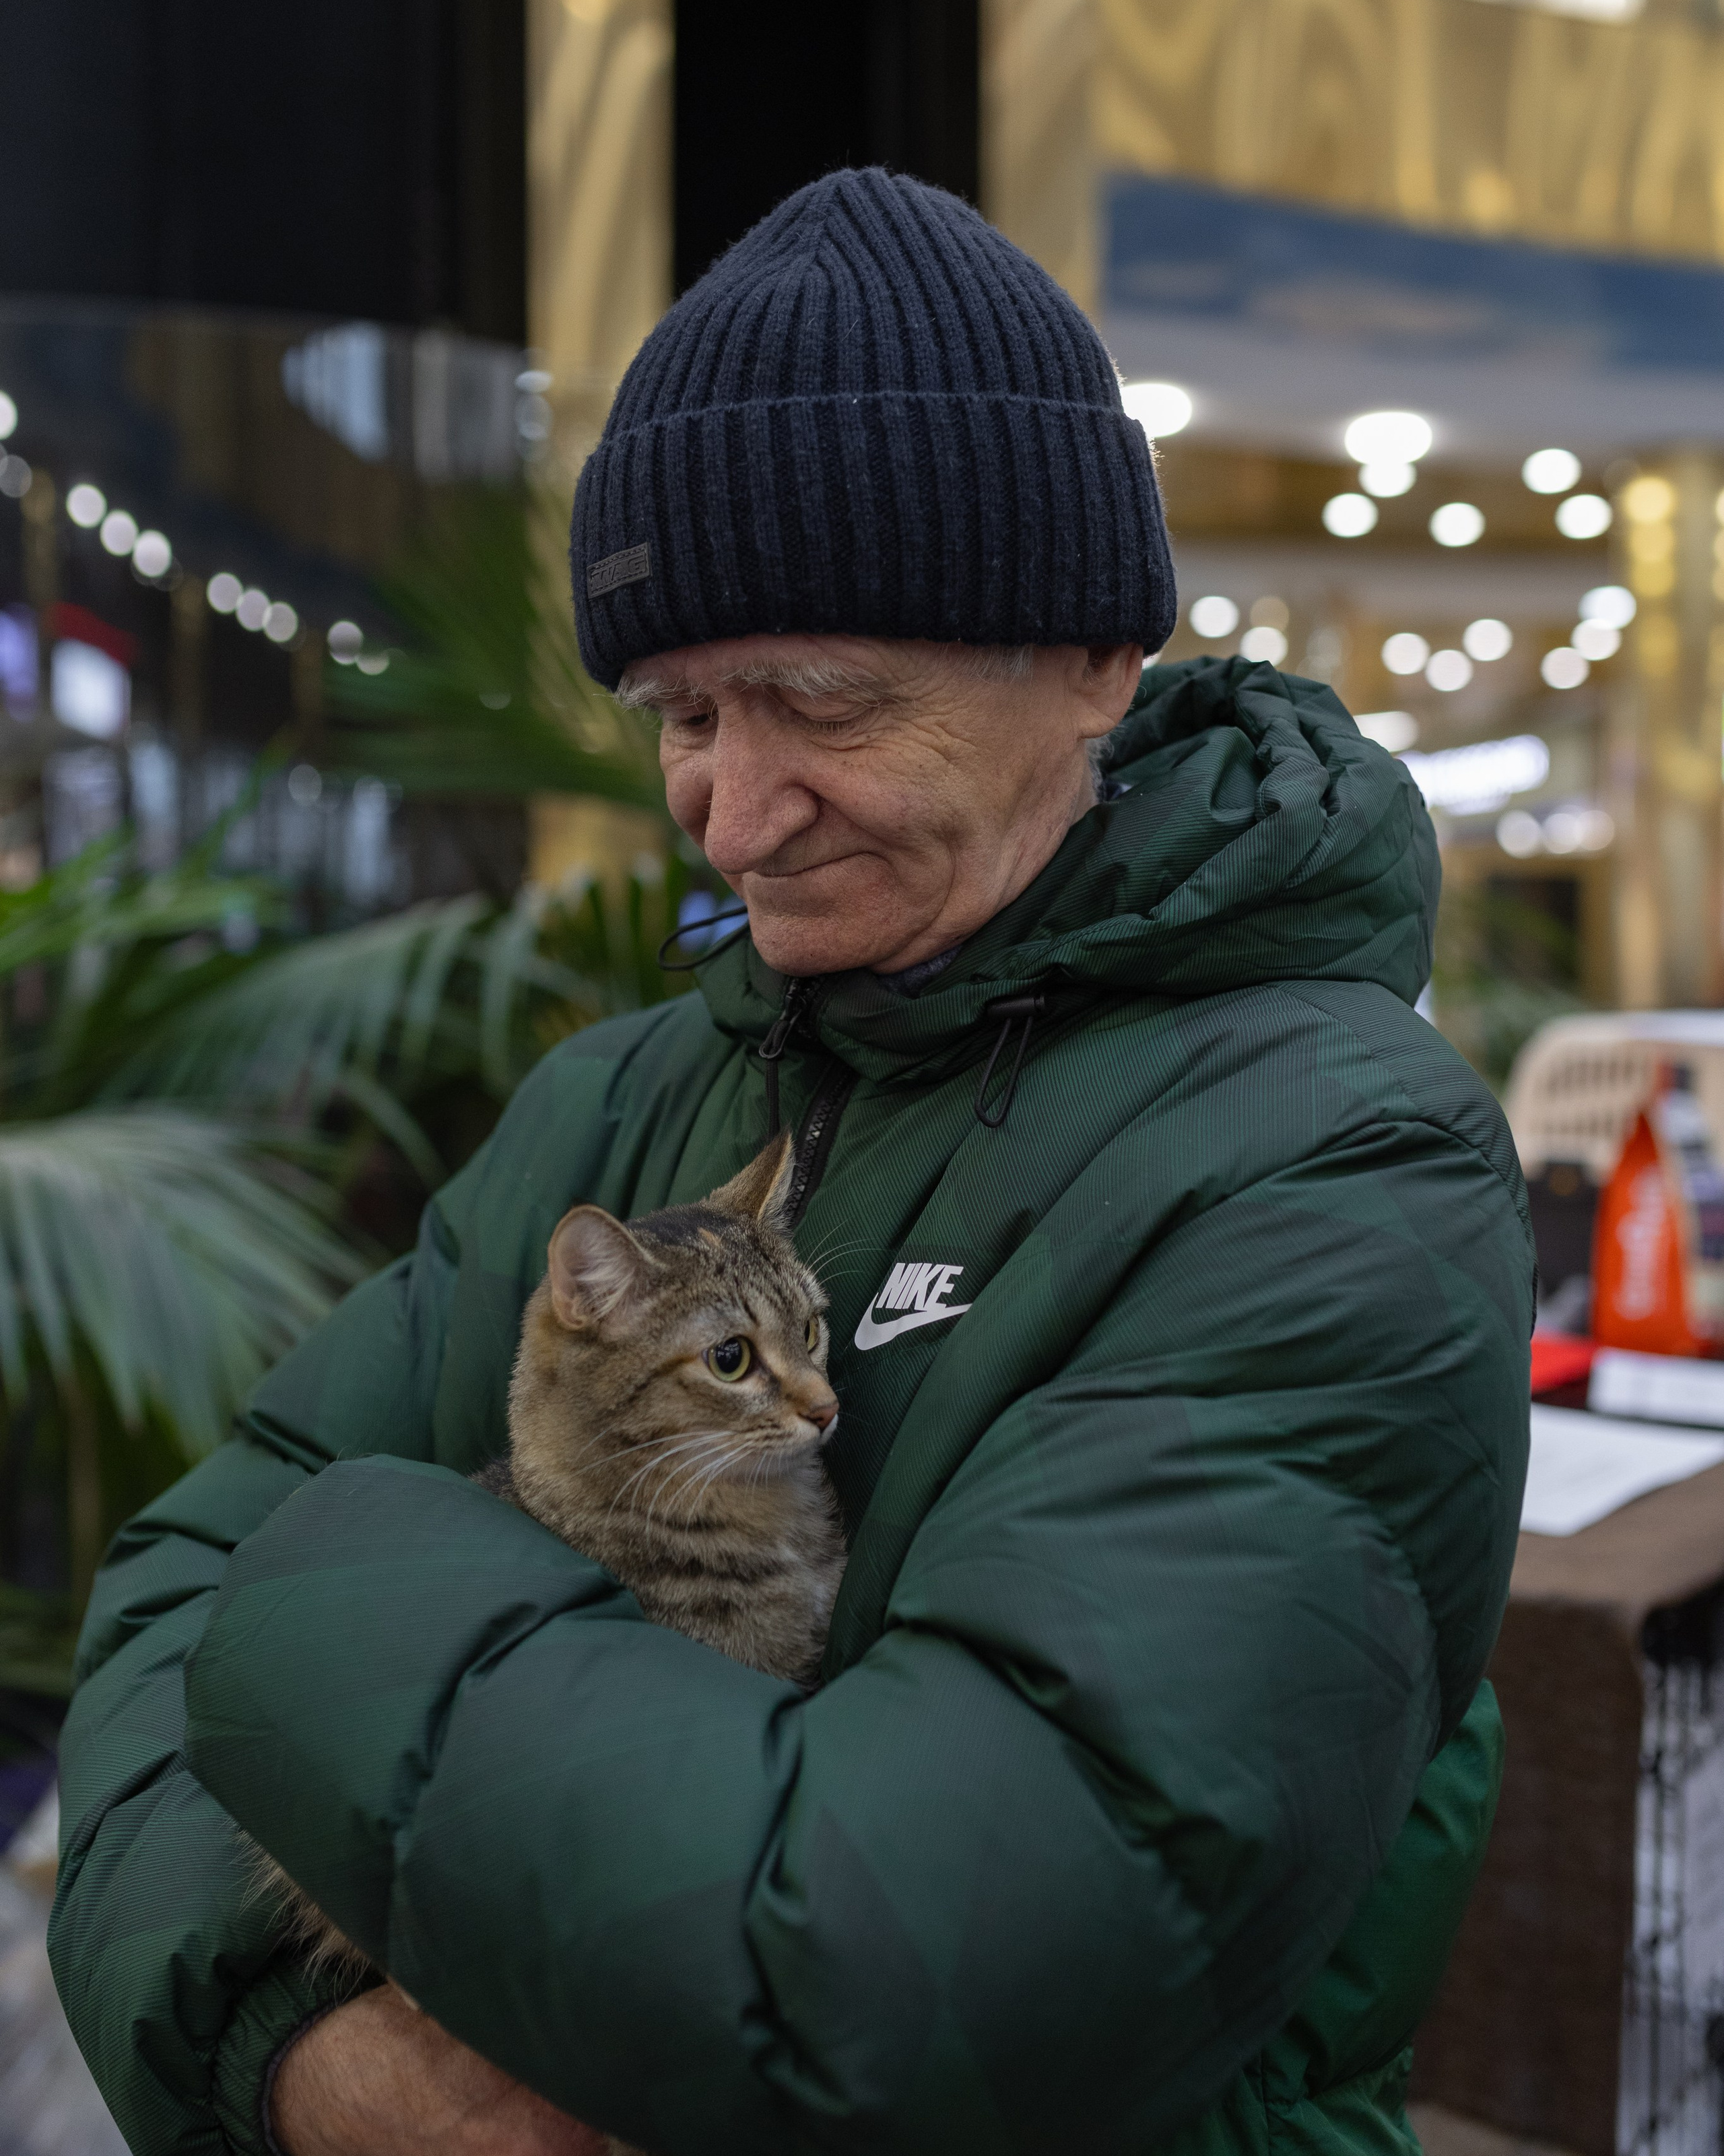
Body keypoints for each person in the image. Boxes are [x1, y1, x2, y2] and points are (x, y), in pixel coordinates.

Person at [51, 169, 1531, 2156]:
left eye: (826, 700)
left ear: (1097, 654)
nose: (732, 815)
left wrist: (334, 1607)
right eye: (680, 713)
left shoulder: (1342, 1155)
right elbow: (162, 1603)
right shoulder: (625, 1096)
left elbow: (911, 1983)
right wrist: (299, 2067)